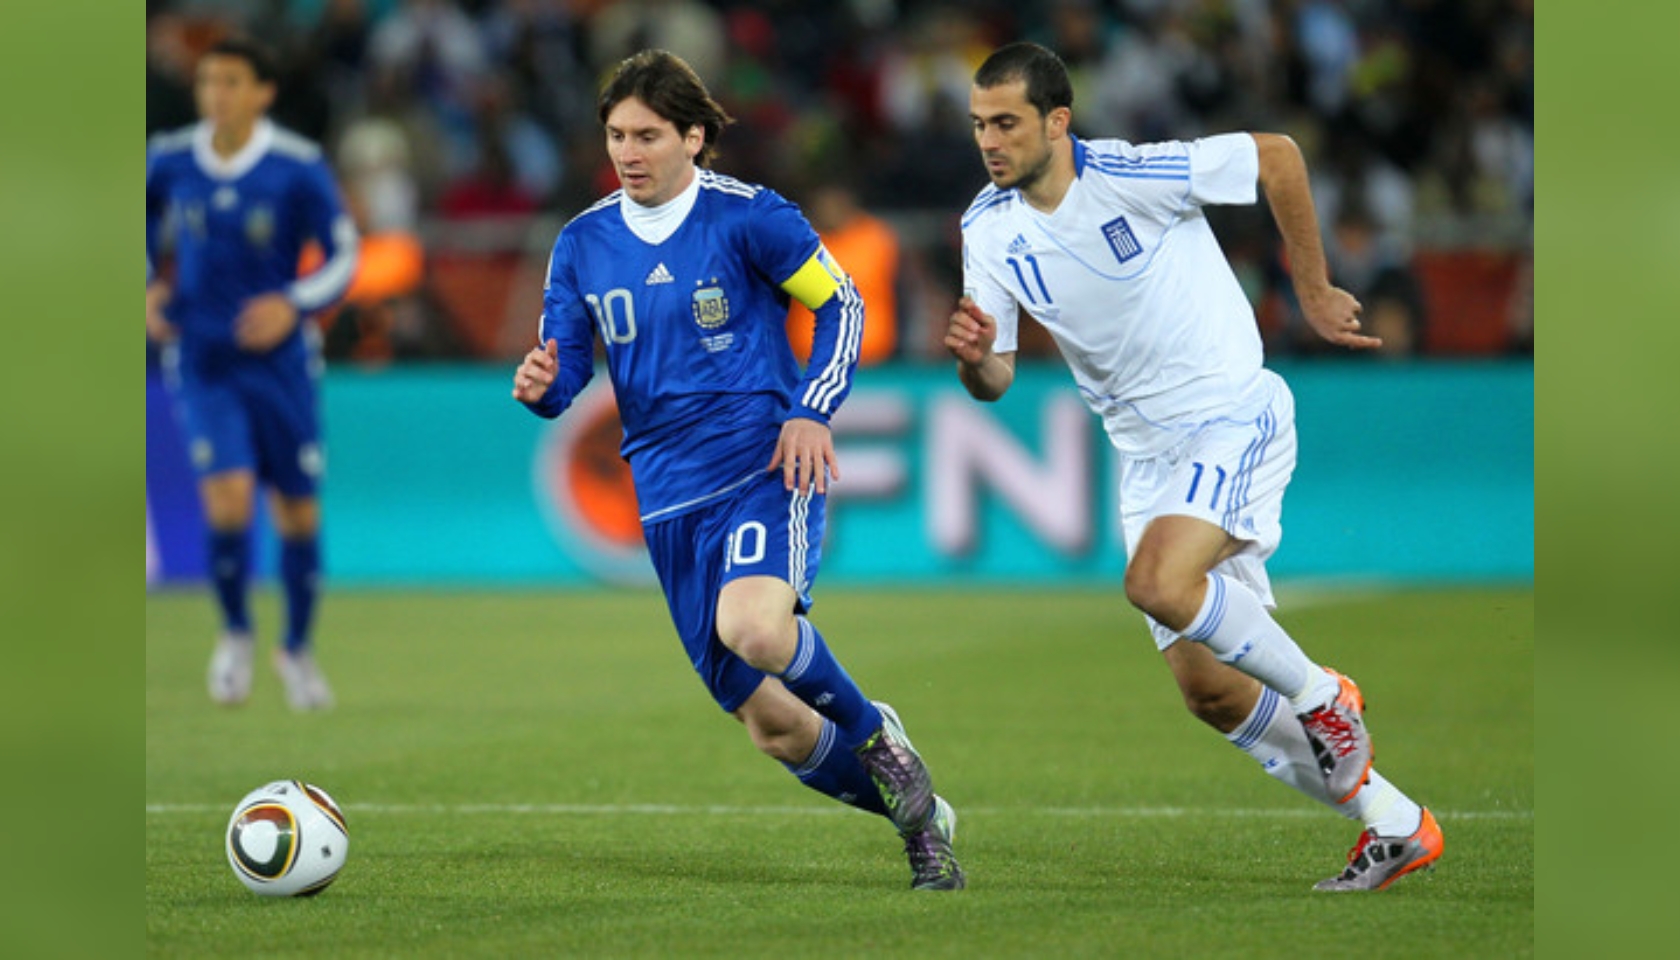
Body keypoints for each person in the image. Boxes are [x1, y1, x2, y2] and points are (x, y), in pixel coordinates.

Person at [945, 42, 1442, 892]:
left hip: (1229, 414)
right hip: (1146, 459)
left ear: (1057, 123)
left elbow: (1278, 157)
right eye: (978, 124)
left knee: (1158, 583)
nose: (988, 141)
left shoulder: (1135, 175)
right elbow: (995, 379)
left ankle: (1325, 695)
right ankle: (1393, 821)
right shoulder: (986, 227)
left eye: (1006, 123)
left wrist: (1314, 288)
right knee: (1211, 694)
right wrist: (974, 358)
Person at [512, 49, 964, 891]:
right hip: (665, 498)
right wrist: (543, 386)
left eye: (648, 134)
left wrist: (809, 411)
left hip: (762, 461)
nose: (628, 152)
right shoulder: (581, 244)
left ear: (693, 137)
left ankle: (878, 743)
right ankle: (923, 817)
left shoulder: (750, 218)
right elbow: (568, 366)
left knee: (755, 628)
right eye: (616, 135)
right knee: (776, 728)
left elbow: (842, 302)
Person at [146, 36, 359, 711]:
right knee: (229, 498)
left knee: (296, 512)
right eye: (208, 81)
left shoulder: (296, 166)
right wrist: (149, 284)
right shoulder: (172, 158)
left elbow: (344, 254)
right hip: (205, 358)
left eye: (232, 81)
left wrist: (292, 302)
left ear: (262, 93)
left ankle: (295, 647)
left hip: (283, 365)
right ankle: (236, 632)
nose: (216, 94)